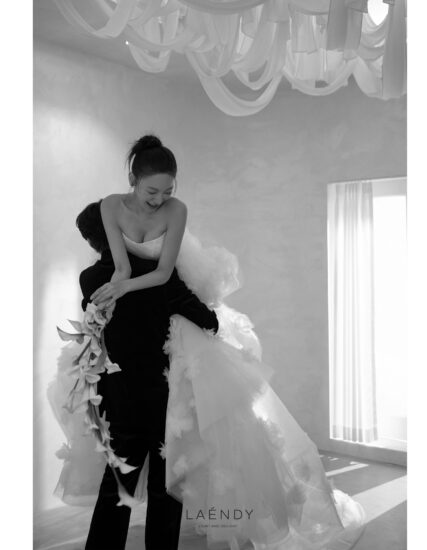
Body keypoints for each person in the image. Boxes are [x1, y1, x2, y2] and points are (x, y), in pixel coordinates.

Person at [53, 134, 367, 550]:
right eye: (151, 192)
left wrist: (130, 294)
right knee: (159, 483)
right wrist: (207, 319)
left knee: (129, 483)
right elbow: (188, 307)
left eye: (167, 191)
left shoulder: (98, 277)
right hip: (154, 387)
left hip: (133, 385)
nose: (159, 201)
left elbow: (136, 290)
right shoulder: (147, 276)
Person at [51, 200, 220, 550]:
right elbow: (205, 319)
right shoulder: (157, 271)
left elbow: (99, 330)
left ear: (94, 240)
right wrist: (209, 318)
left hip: (118, 393)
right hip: (163, 394)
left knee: (117, 483)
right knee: (165, 483)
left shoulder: (90, 278)